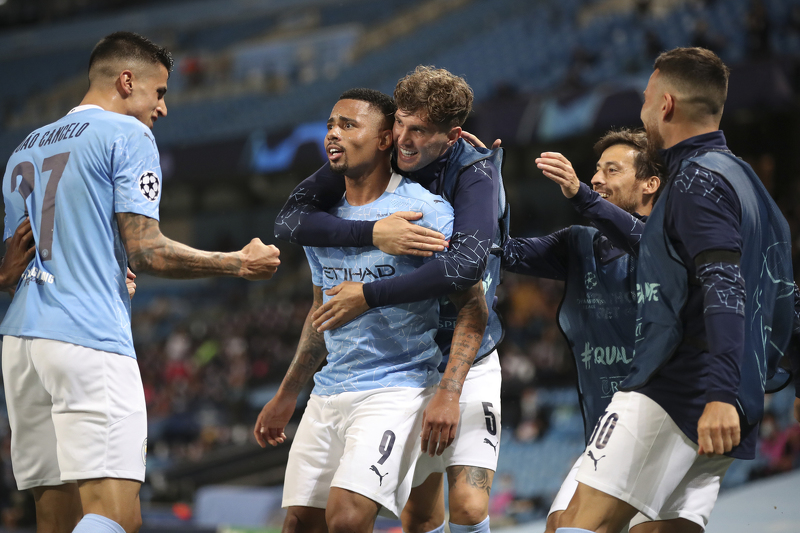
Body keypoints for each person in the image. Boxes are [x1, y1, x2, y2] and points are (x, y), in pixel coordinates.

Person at [1, 31, 280, 533]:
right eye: (160, 92)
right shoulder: (127, 135)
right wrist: (238, 262)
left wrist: (106, 269)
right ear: (127, 82)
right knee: (114, 517)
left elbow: (12, 267)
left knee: (55, 518)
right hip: (88, 339)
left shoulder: (23, 148)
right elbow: (147, 250)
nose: (163, 109)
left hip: (22, 344)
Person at [556, 47, 797, 533]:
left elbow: (725, 286)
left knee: (575, 525)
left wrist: (720, 394)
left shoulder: (694, 182)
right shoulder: (749, 185)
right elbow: (782, 295)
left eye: (646, 98)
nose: (642, 111)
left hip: (680, 387)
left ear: (665, 105)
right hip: (727, 393)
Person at [273, 66, 508, 533]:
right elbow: (289, 222)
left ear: (452, 135)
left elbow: (465, 273)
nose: (402, 138)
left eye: (418, 130)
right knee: (419, 515)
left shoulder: (474, 174)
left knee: (466, 504)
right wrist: (374, 232)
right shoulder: (381, 154)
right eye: (399, 123)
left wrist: (369, 296)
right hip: (407, 361)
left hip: (466, 357)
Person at [500, 129, 664, 533]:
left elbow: (646, 242)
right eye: (595, 170)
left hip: (661, 419)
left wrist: (581, 196)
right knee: (559, 525)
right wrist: (476, 179)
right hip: (603, 427)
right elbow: (504, 250)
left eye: (612, 169)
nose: (595, 178)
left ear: (650, 184)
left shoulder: (672, 238)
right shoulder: (580, 244)